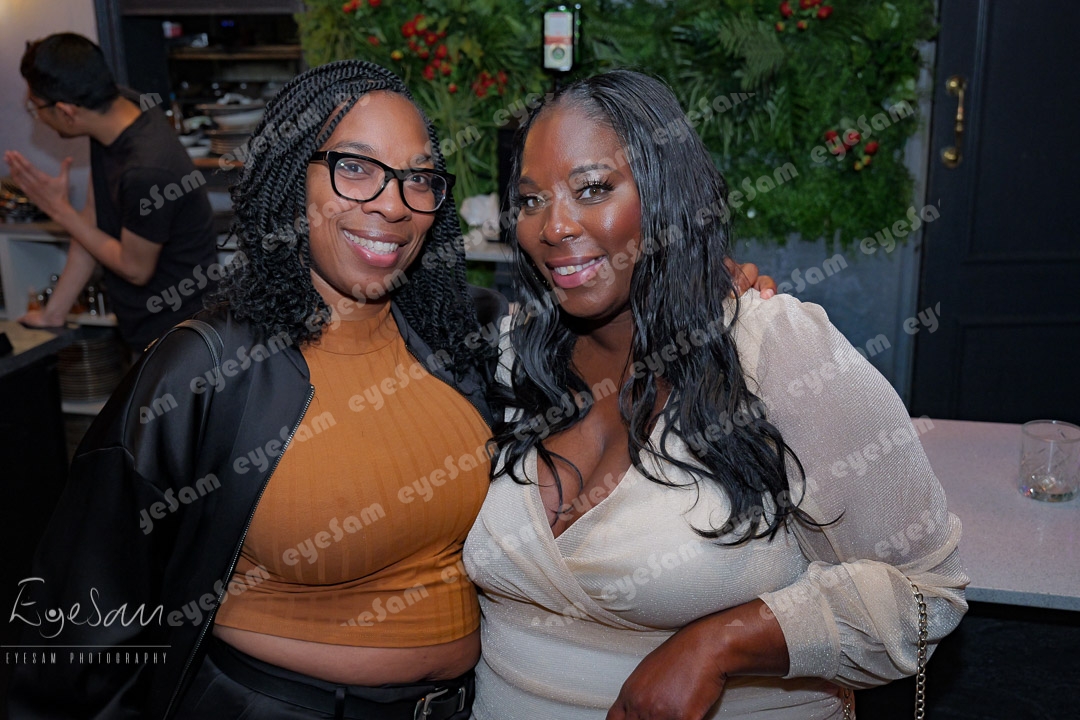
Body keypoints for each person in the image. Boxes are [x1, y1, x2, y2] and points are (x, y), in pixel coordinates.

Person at [4, 60, 771, 719]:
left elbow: (608, 342)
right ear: (290, 176)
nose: (393, 204)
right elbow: (76, 619)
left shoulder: (468, 340)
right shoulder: (205, 367)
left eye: (417, 178)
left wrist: (702, 287)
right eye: (356, 167)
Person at [463, 69, 968, 719]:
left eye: (593, 188)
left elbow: (927, 595)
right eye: (531, 200)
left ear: (665, 194)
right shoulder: (510, 357)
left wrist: (722, 644)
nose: (554, 226)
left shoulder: (776, 349)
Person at [4, 32, 217, 354]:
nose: (39, 119)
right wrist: (53, 313)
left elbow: (135, 269)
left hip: (179, 337)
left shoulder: (146, 169)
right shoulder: (120, 107)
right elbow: (93, 221)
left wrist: (59, 210)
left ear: (67, 112)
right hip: (146, 326)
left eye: (35, 108)